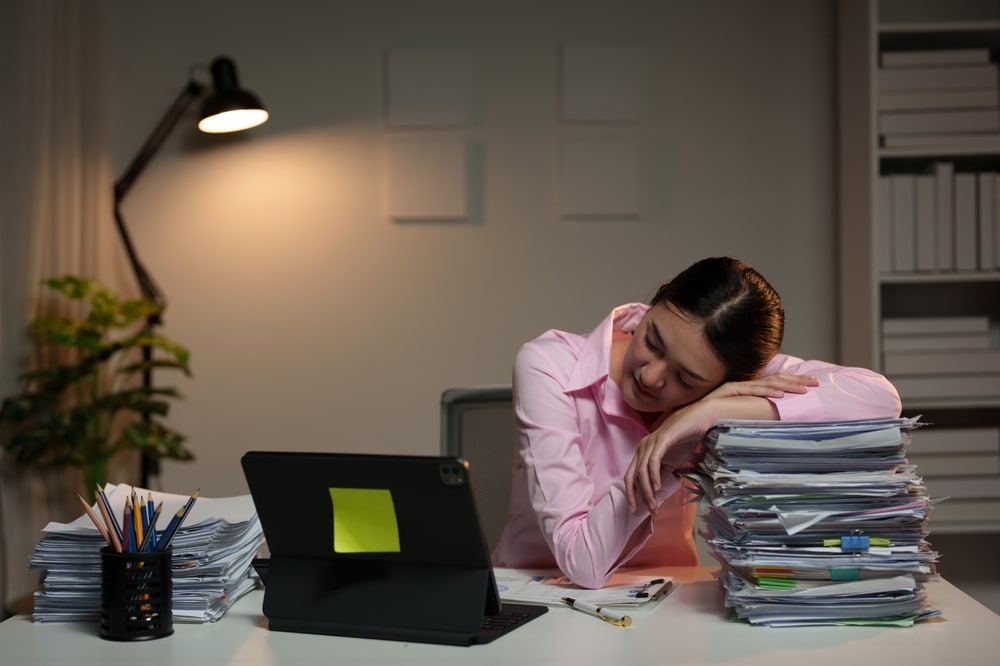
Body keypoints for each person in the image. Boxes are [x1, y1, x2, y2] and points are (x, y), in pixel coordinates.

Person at [491, 256, 901, 589]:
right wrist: (671, 453)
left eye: (686, 379)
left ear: (728, 382)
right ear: (656, 302)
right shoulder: (550, 366)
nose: (651, 376)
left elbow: (878, 398)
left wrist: (707, 413)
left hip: (664, 597)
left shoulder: (730, 382)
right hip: (529, 596)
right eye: (651, 341)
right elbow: (582, 563)